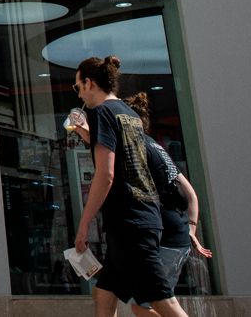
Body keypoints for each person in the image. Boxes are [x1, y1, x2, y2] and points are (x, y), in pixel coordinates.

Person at [72, 56, 191, 317]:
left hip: (130, 223)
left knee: (164, 303)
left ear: (89, 83)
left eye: (78, 86)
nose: (79, 92)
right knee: (105, 292)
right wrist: (89, 136)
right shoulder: (130, 114)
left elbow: (106, 174)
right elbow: (128, 159)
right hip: (141, 217)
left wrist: (84, 223)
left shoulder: (102, 112)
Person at [122, 93, 213, 317]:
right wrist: (190, 227)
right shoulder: (156, 147)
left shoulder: (137, 149)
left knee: (142, 305)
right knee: (152, 303)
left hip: (165, 238)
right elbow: (190, 193)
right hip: (177, 233)